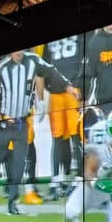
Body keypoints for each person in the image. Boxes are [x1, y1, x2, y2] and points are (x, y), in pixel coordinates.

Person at [0, 50, 79, 215]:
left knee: (18, 167)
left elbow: (51, 71)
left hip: (21, 124)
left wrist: (68, 86)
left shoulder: (33, 61)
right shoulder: (3, 67)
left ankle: (12, 205)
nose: (18, 53)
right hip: (5, 124)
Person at [43, 35, 85, 200]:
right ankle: (56, 181)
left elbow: (85, 59)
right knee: (58, 138)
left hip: (73, 91)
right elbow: (44, 65)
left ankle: (79, 179)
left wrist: (81, 88)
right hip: (56, 93)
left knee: (77, 136)